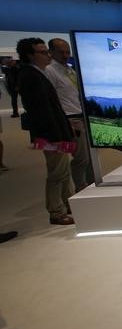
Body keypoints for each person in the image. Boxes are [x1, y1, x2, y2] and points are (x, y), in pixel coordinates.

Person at [16, 38, 76, 226]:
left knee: (63, 170)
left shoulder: (37, 74)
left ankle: (68, 205)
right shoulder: (31, 77)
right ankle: (56, 212)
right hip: (51, 135)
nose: (47, 55)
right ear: (30, 55)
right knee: (57, 173)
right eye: (42, 52)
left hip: (56, 133)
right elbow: (42, 112)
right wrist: (57, 138)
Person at [46, 38, 93, 191]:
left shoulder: (70, 71)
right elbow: (50, 99)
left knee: (85, 157)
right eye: (61, 52)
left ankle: (86, 186)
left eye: (67, 52)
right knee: (79, 159)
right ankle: (81, 188)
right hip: (69, 119)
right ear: (51, 52)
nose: (65, 55)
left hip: (79, 116)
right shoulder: (50, 72)